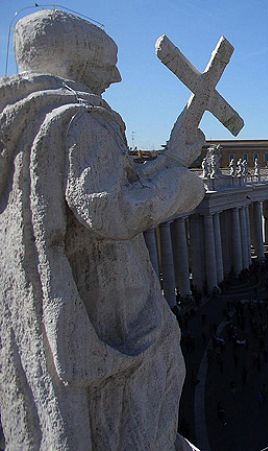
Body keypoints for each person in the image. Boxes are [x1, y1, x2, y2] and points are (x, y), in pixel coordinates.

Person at [0, 9, 205, 450]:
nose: (115, 79)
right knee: (151, 379)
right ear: (78, 63)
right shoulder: (80, 119)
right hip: (112, 314)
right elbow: (108, 209)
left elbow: (109, 189)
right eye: (105, 66)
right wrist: (183, 186)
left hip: (70, 300)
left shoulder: (26, 121)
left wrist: (169, 159)